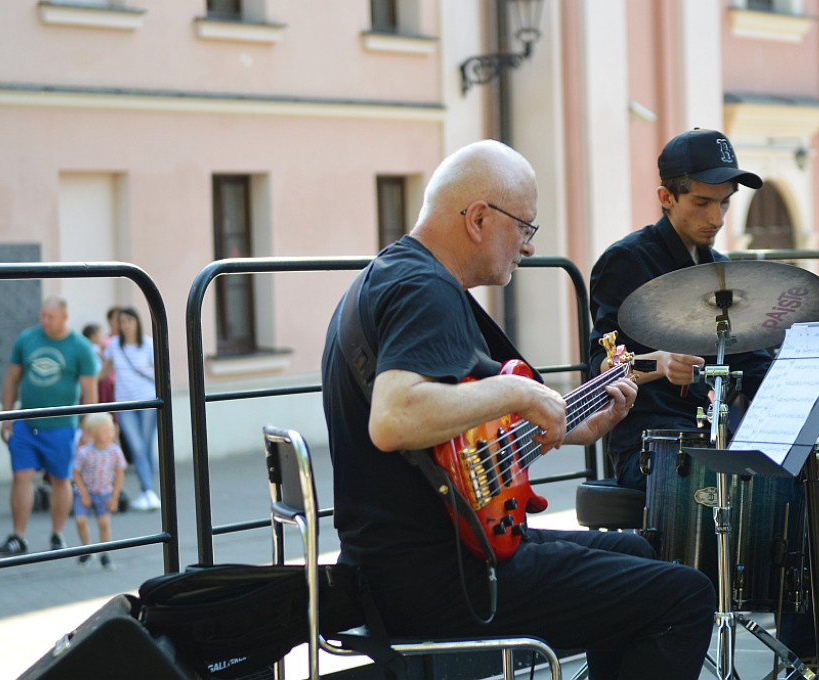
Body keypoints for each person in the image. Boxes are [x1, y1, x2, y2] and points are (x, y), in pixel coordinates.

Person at [321, 139, 716, 680]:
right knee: (685, 597)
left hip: (400, 564)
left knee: (641, 554)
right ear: (480, 218)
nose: (530, 248)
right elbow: (395, 419)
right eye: (525, 228)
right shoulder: (422, 290)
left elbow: (457, 445)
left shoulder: (395, 275)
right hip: (438, 577)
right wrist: (523, 393)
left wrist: (574, 425)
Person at [588, 128, 774, 491]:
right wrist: (659, 363)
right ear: (666, 197)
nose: (717, 219)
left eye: (725, 203)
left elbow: (755, 364)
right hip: (648, 448)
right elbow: (601, 367)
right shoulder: (626, 261)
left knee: (794, 481)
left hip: (713, 438)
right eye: (702, 203)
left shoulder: (721, 271)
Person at [0, 297, 98, 555]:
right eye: (42, 315)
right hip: (26, 424)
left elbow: (90, 391)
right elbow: (11, 379)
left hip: (61, 426)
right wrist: (6, 415)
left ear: (64, 317)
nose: (45, 321)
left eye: (51, 316)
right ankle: (18, 536)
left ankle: (57, 534)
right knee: (21, 476)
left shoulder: (81, 347)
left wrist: (89, 429)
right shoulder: (27, 339)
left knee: (60, 480)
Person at [101, 307, 158, 511]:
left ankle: (147, 491)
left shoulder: (149, 344)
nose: (125, 325)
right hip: (124, 403)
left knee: (146, 446)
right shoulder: (114, 345)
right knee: (136, 447)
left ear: (137, 322)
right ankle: (148, 491)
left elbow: (160, 371)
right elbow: (104, 372)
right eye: (122, 321)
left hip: (148, 401)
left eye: (129, 321)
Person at [72, 412, 125, 570]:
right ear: (93, 433)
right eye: (106, 431)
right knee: (80, 520)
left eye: (112, 430)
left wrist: (115, 496)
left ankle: (105, 553)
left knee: (103, 523)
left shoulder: (115, 452)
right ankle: (87, 549)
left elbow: (120, 473)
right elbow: (76, 472)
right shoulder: (84, 452)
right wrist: (83, 493)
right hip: (85, 492)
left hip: (104, 493)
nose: (110, 434)